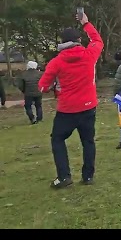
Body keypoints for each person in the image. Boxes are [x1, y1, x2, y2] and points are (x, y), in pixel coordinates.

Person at [39, 11, 104, 189]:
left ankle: (64, 176)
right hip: (89, 106)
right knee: (88, 141)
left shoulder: (56, 62)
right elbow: (98, 41)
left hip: (67, 109)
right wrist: (86, 23)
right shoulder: (89, 55)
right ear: (78, 41)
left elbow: (43, 86)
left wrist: (53, 87)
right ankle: (88, 176)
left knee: (58, 139)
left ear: (62, 44)